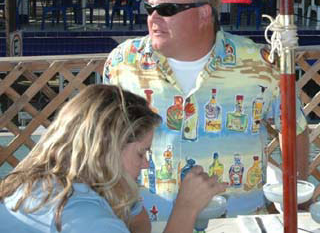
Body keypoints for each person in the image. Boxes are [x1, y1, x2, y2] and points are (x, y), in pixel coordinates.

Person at [103, 0, 309, 228]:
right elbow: (103, 139)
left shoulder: (260, 64)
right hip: (148, 223)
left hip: (236, 224)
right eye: (149, 8)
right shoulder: (123, 63)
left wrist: (297, 196)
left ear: (204, 14)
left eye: (166, 9)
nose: (153, 18)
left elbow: (294, 127)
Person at [0, 85, 227, 232]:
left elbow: (138, 220)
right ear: (106, 148)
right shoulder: (84, 219)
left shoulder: (42, 184)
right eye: (141, 153)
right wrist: (186, 208)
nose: (146, 163)